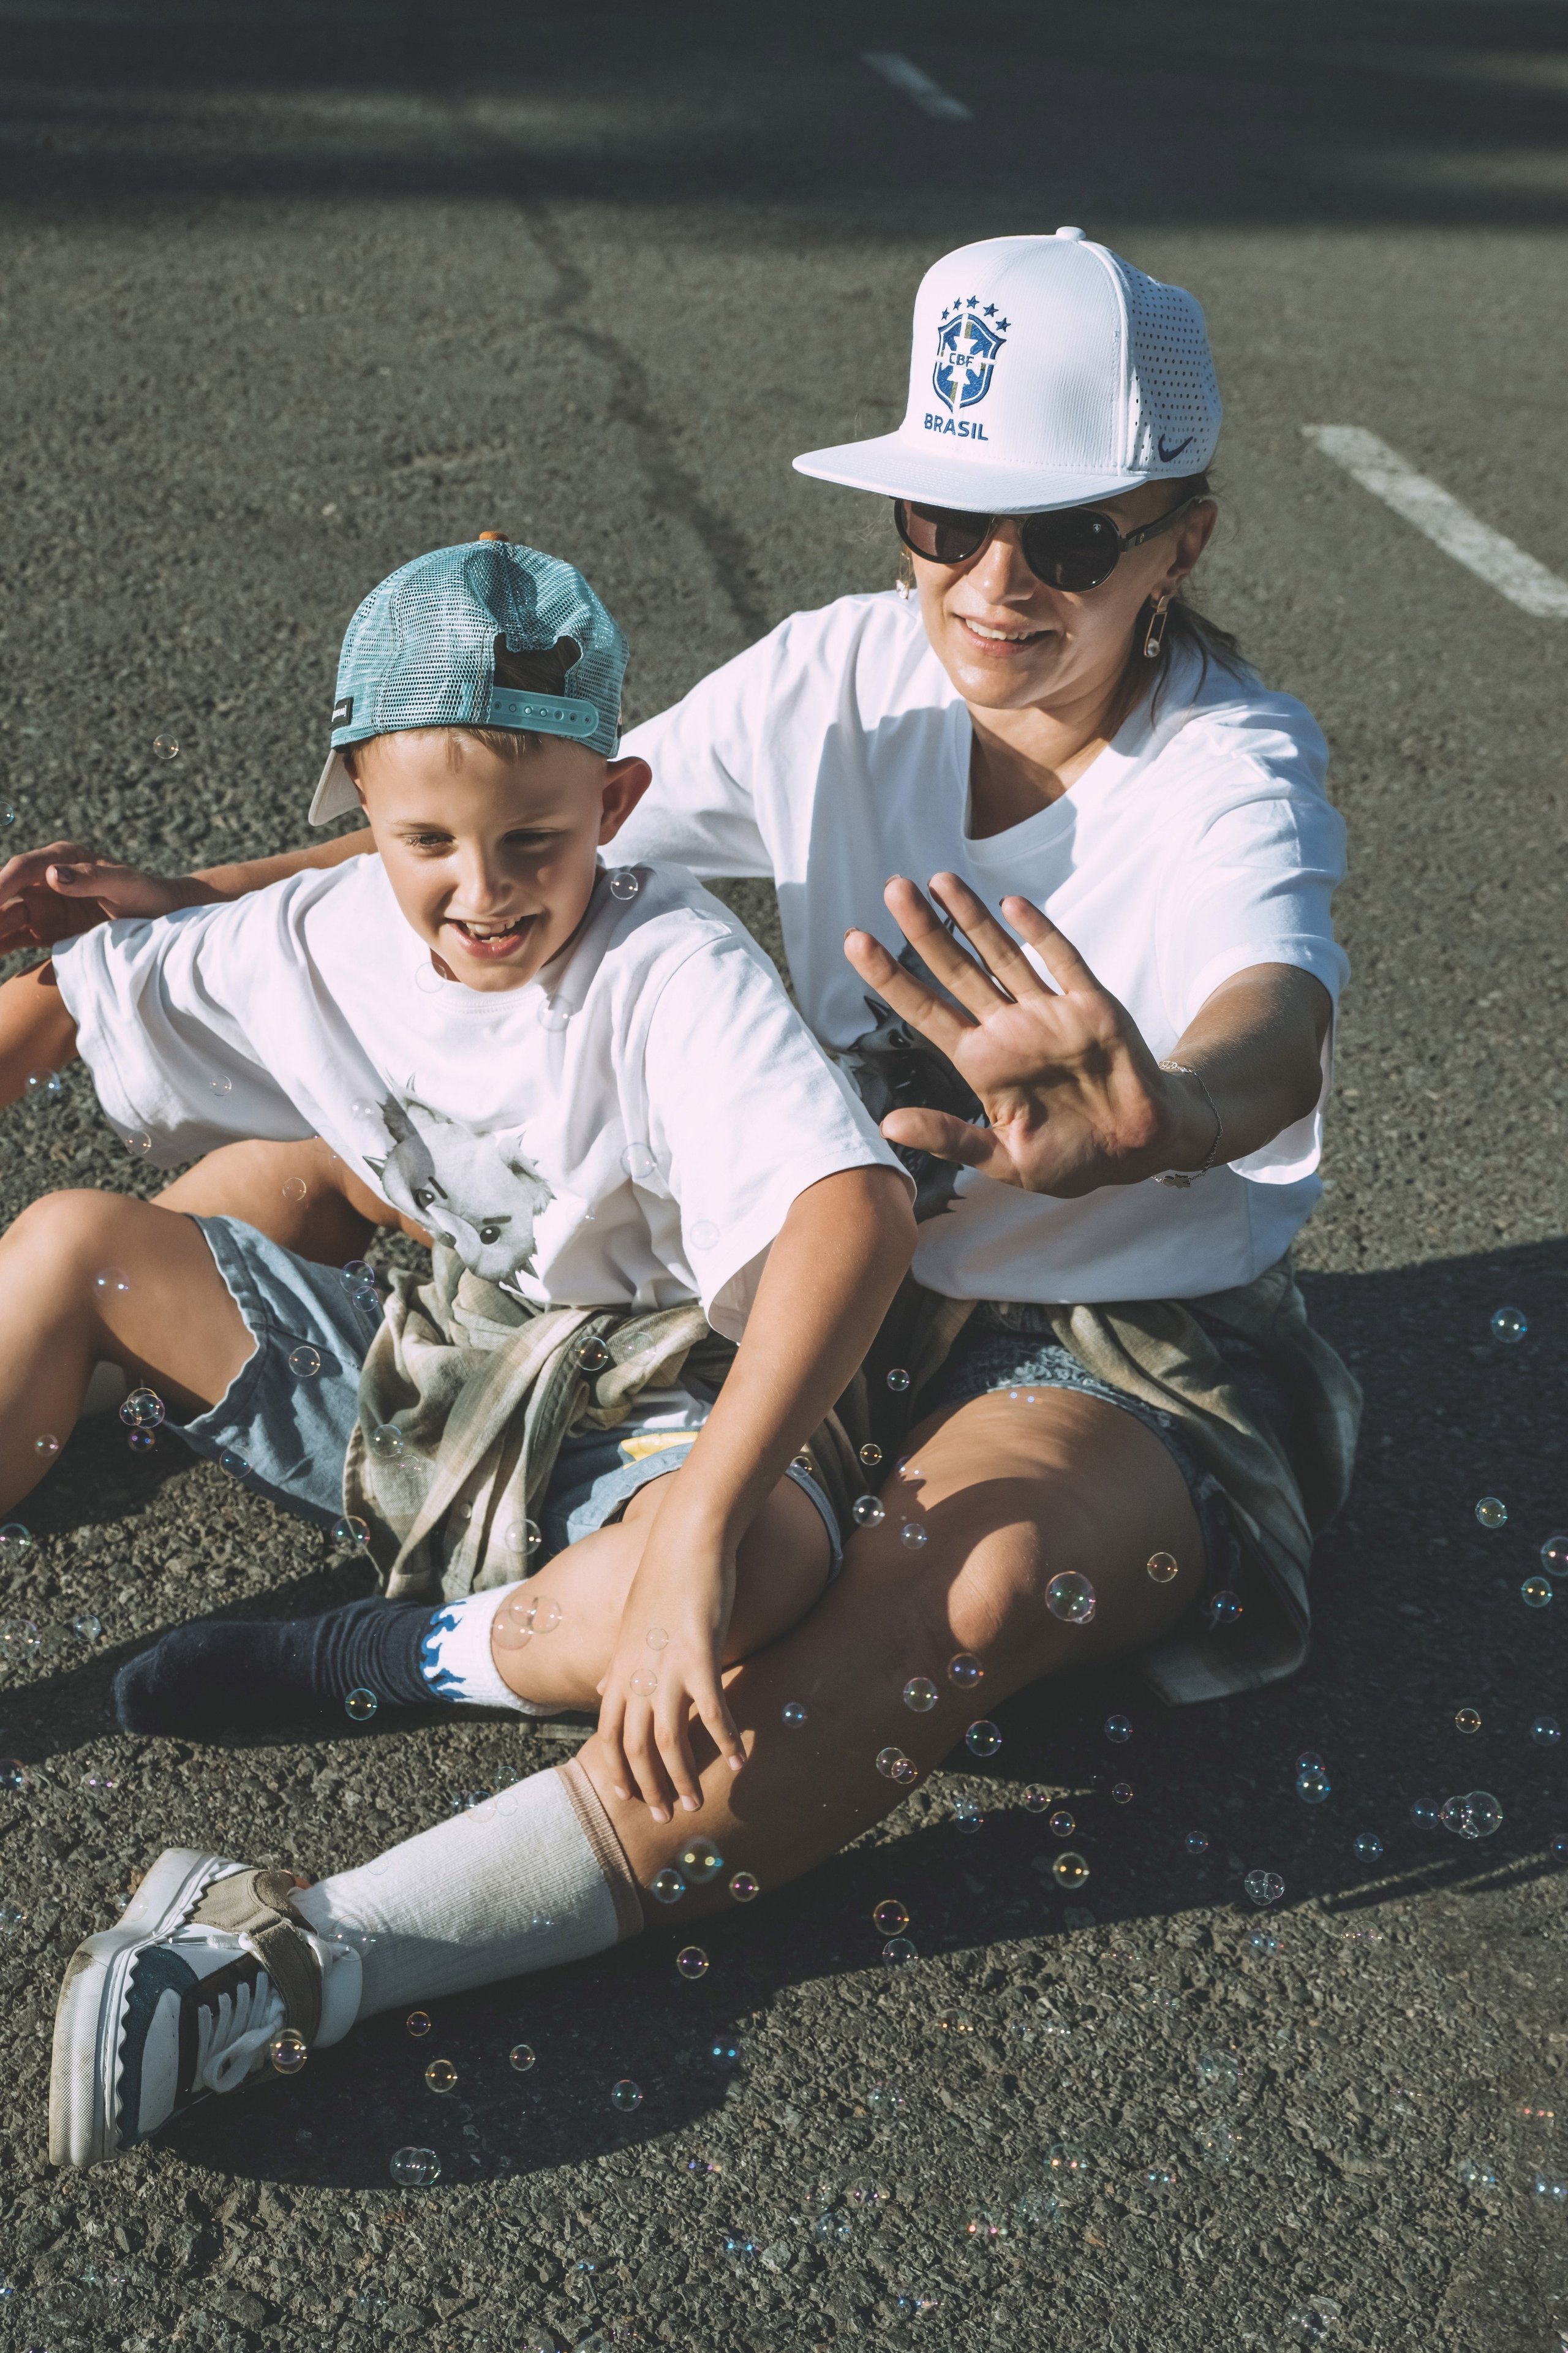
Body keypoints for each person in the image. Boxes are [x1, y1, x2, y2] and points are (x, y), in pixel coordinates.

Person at [42, 230, 1359, 2167]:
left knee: (970, 1586)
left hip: (1104, 1336)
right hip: (804, 1274)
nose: (992, 587)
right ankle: (339, 1487)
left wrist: (1166, 1110)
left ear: (1184, 540)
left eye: (1071, 538)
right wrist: (201, 895)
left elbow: (1279, 1023)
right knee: (383, 1118)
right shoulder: (849, 669)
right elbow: (526, 816)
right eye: (946, 513)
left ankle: (309, 1948)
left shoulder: (1234, 769)